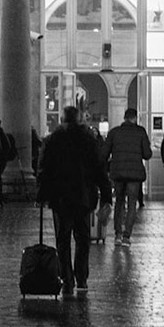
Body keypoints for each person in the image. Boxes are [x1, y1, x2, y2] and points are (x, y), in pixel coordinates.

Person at [37, 106, 110, 295]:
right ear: (79, 119)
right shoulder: (88, 140)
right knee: (83, 237)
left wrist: (41, 195)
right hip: (83, 196)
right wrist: (106, 195)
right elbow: (99, 169)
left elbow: (45, 169)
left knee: (63, 239)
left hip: (60, 196)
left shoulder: (53, 140)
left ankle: (66, 279)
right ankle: (82, 278)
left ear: (62, 119)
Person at [103, 105, 153, 242]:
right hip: (134, 174)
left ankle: (117, 234)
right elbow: (147, 154)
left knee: (119, 202)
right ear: (135, 118)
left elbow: (104, 153)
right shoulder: (141, 132)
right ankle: (127, 236)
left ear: (124, 118)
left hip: (118, 172)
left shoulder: (114, 132)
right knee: (132, 203)